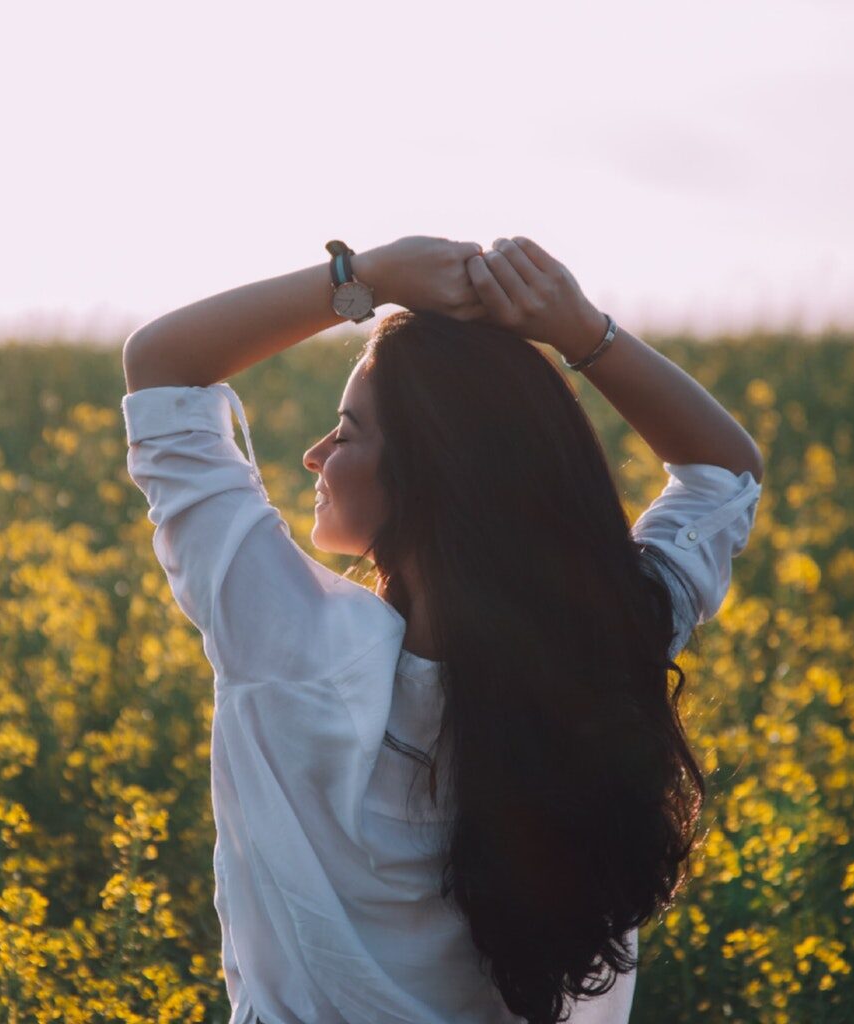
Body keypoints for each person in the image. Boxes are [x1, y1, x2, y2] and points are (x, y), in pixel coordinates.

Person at [120, 236, 765, 1024]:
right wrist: (579, 331)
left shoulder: (293, 647)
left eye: (347, 431)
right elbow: (724, 471)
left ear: (428, 476)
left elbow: (160, 367)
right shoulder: (611, 642)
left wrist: (362, 279)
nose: (315, 454)